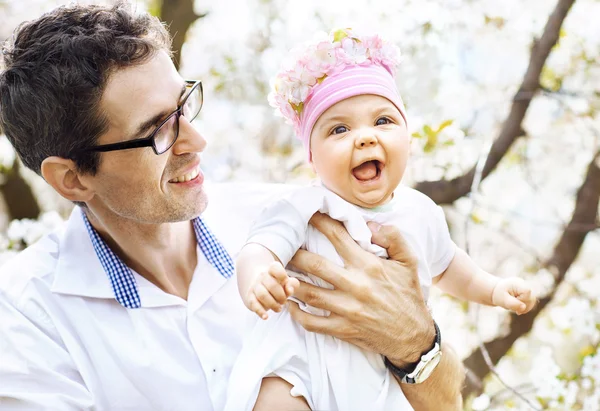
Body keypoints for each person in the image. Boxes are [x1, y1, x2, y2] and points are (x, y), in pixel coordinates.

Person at [0, 4, 464, 411]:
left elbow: (446, 403)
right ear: (73, 177)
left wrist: (416, 343)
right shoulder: (26, 319)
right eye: (159, 130)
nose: (197, 141)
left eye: (185, 104)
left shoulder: (296, 221)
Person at [229, 28, 537, 410]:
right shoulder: (303, 205)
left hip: (379, 365)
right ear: (312, 158)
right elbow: (258, 247)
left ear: (409, 137)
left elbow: (449, 265)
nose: (364, 138)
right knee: (275, 395)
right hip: (303, 353)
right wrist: (258, 277)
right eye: (339, 129)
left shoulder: (421, 211)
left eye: (383, 121)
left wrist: (491, 289)